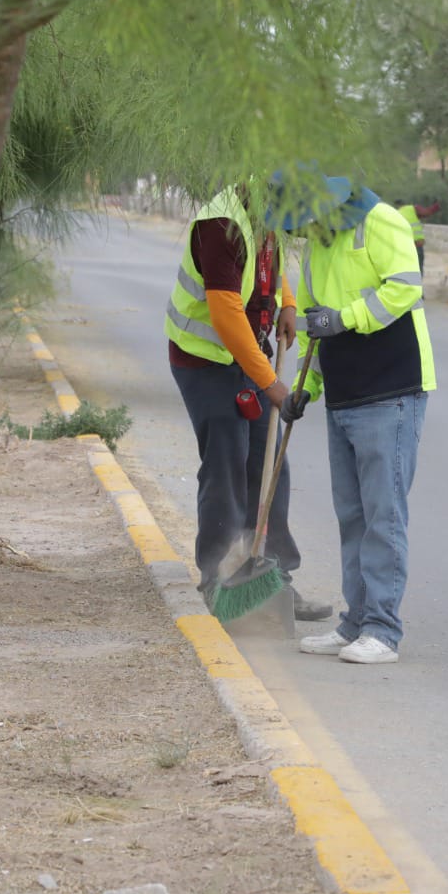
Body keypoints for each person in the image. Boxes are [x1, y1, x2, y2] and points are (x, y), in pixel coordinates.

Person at [267, 173, 434, 665]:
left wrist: (347, 318)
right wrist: (306, 388)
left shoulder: (379, 221)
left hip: (391, 388)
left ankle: (383, 630)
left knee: (383, 515)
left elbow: (404, 288)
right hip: (343, 393)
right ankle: (355, 623)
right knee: (352, 515)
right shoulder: (320, 243)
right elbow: (318, 323)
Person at [165, 184, 332, 621]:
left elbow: (270, 266)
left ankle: (275, 581)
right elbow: (224, 316)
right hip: (204, 359)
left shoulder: (263, 212)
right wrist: (274, 384)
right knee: (227, 461)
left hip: (248, 355)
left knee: (269, 463)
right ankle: (217, 577)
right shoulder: (219, 224)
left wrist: (288, 304)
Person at [390, 199, 441, 275]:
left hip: (403, 247)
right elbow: (427, 212)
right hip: (417, 244)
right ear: (405, 204)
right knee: (418, 268)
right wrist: (436, 206)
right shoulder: (412, 209)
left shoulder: (395, 215)